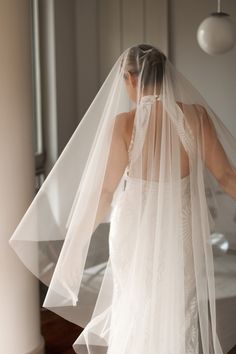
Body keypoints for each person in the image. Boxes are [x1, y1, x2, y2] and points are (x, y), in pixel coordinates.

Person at [9, 44, 236, 353]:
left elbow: (104, 191)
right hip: (181, 232)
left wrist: (75, 244)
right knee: (178, 307)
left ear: (130, 78)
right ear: (165, 76)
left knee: (134, 305)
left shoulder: (125, 124)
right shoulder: (196, 117)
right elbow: (227, 177)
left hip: (133, 232)